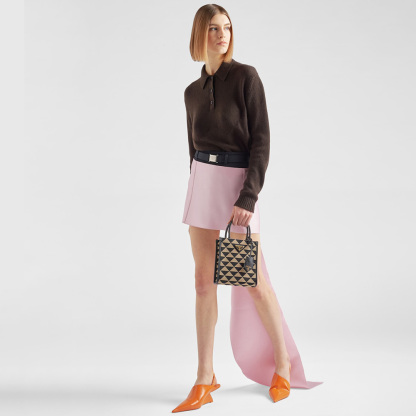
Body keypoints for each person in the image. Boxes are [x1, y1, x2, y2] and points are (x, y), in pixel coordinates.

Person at [173, 4, 322, 413]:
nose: (222, 35)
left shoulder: (246, 77)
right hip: (202, 185)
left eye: (227, 27)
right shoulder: (191, 93)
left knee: (252, 282)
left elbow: (261, 142)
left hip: (238, 189)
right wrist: (197, 187)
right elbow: (192, 150)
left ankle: (283, 364)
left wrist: (248, 197)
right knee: (203, 283)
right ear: (199, 34)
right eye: (213, 28)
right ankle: (205, 377)